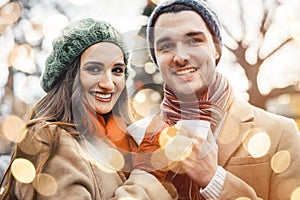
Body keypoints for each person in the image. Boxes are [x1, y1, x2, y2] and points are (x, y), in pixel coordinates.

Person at [131, 0, 300, 199]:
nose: (180, 57)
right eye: (166, 46)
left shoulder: (281, 133)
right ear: (156, 59)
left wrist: (214, 179)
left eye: (193, 40)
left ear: (217, 49)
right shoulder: (136, 138)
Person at [0, 18, 177, 199]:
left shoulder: (122, 143)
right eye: (94, 69)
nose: (108, 84)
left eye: (117, 70)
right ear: (69, 77)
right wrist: (145, 177)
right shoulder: (49, 138)